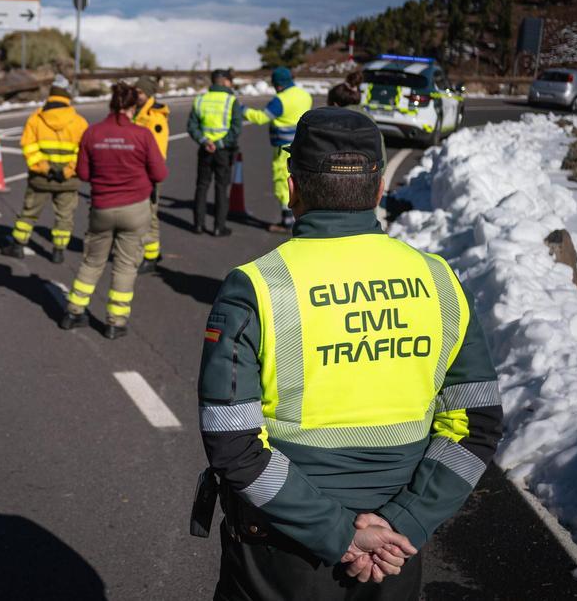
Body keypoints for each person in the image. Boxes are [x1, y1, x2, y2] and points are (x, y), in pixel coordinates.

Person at [195, 108, 503, 600]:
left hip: (281, 552)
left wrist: (340, 535)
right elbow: (477, 424)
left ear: (293, 188)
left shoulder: (255, 287)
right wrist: (404, 523)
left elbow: (231, 443)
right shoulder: (440, 280)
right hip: (396, 553)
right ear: (379, 189)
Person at [60, 82, 168, 340]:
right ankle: (115, 322)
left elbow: (83, 173)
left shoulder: (92, 133)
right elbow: (159, 173)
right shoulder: (142, 135)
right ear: (133, 107)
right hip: (135, 208)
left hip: (102, 207)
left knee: (92, 261)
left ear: (111, 103)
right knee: (126, 265)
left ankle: (74, 311)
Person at [1, 75, 89, 263]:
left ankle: (18, 246)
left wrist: (44, 168)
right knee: (64, 217)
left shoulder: (36, 119)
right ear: (67, 96)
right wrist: (67, 170)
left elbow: (28, 147)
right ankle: (58, 252)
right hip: (68, 181)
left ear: (51, 95)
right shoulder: (79, 122)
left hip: (40, 179)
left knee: (29, 213)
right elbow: (84, 152)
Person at [242, 67, 313, 232]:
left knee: (283, 182)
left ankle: (287, 221)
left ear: (278, 85)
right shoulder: (304, 95)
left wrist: (242, 110)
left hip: (284, 148)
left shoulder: (279, 100)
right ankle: (302, 214)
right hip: (303, 144)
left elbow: (261, 118)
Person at [188, 69, 243, 237]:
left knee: (202, 186)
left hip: (205, 149)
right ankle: (219, 227)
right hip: (223, 151)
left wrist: (205, 141)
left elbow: (192, 126)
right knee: (221, 187)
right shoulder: (231, 100)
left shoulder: (200, 99)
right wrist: (220, 143)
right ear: (224, 81)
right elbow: (236, 128)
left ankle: (198, 224)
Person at [132, 75, 170, 273]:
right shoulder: (138, 112)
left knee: (149, 217)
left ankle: (151, 257)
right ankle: (152, 251)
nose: (135, 94)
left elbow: (158, 151)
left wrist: (149, 174)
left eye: (139, 92)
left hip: (147, 174)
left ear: (147, 93)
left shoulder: (154, 117)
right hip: (137, 173)